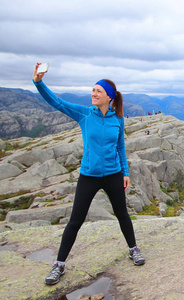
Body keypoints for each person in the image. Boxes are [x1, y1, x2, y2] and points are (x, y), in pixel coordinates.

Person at [32, 63, 145, 286]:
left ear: (109, 97)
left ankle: (133, 249)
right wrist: (38, 82)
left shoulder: (118, 118)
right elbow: (57, 102)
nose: (93, 94)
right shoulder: (84, 114)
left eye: (98, 91)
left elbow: (120, 146)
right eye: (93, 90)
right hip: (89, 176)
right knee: (75, 220)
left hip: (113, 175)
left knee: (122, 214)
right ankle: (59, 265)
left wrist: (125, 172)